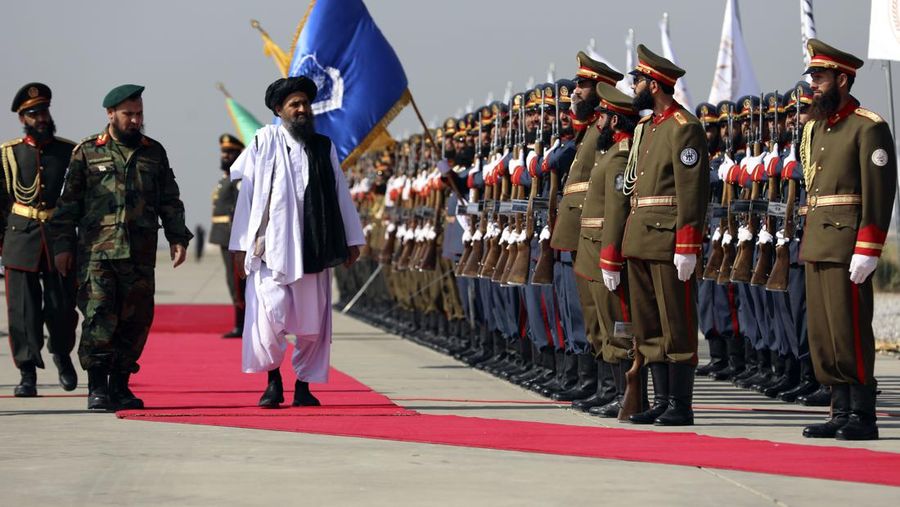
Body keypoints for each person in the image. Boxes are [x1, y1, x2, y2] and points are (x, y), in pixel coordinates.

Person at [51, 84, 193, 411]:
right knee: (99, 317)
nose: (136, 120)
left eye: (139, 113)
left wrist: (177, 237)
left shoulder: (153, 152)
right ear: (111, 113)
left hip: (140, 255)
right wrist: (62, 246)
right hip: (97, 255)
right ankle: (97, 388)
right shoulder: (88, 151)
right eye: (129, 114)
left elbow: (169, 199)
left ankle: (120, 386)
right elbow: (68, 205)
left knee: (135, 322)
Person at [229, 76, 364, 408]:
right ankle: (273, 382)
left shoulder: (323, 146)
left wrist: (351, 238)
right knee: (268, 316)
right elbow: (247, 195)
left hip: (314, 245)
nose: (302, 109)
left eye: (305, 103)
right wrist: (240, 245)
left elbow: (340, 194)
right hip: (270, 248)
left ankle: (303, 386)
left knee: (311, 322)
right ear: (279, 110)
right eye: (295, 104)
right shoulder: (263, 142)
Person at [798, 39, 895, 441]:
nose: (813, 85)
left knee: (849, 330)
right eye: (813, 77)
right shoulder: (816, 128)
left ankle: (862, 414)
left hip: (847, 245)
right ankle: (839, 410)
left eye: (820, 78)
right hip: (818, 243)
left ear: (842, 79)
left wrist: (868, 248)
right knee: (823, 334)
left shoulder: (868, 127)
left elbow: (879, 191)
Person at [621, 44, 709, 426]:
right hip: (640, 237)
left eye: (638, 80)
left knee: (677, 322)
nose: (634, 87)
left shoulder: (683, 127)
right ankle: (660, 400)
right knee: (649, 324)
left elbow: (692, 190)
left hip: (669, 240)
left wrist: (687, 244)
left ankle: (680, 404)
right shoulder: (645, 128)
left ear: (654, 85)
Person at [0, 82, 78, 396]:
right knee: (22, 312)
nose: (41, 118)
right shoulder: (9, 153)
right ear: (23, 118)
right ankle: (27, 372)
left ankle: (61, 354)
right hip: (20, 239)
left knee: (62, 309)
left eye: (44, 111)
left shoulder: (69, 152)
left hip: (59, 239)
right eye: (34, 114)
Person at [210, 134, 246, 338]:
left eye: (229, 153)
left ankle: (242, 325)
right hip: (224, 236)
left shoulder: (238, 179)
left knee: (238, 284)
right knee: (232, 282)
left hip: (233, 237)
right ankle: (240, 323)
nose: (225, 156)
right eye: (224, 152)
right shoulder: (226, 178)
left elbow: (240, 209)